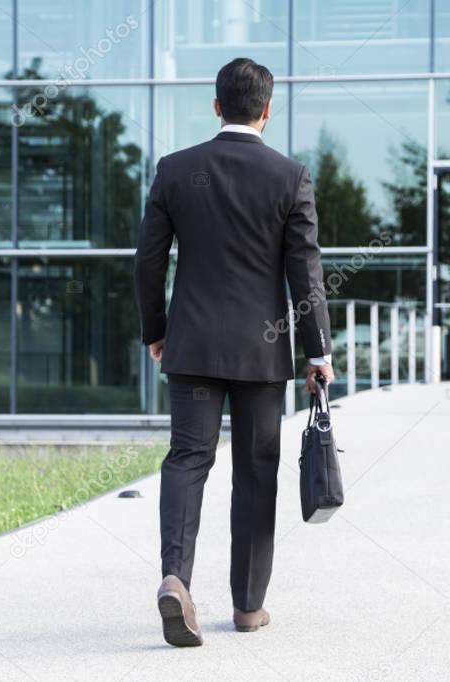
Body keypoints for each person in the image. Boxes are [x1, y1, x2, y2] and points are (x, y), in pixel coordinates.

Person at [134, 57, 334, 647]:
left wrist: (156, 329)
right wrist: (316, 352)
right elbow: (307, 274)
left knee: (188, 459)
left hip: (192, 345)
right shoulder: (289, 176)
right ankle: (248, 606)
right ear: (267, 111)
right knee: (255, 472)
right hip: (261, 352)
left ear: (216, 106)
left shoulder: (175, 170)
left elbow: (148, 261)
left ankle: (176, 577)